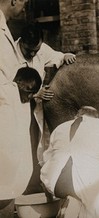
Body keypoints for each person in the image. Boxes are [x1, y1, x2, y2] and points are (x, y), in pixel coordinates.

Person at [40, 106, 99, 218]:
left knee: (83, 196)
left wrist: (50, 195)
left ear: (76, 116)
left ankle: (72, 202)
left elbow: (45, 160)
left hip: (54, 183)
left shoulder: (60, 127)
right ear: (96, 117)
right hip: (84, 181)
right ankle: (76, 202)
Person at [15, 22, 77, 167]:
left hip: (33, 106)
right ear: (21, 42)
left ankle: (33, 178)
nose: (32, 54)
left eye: (35, 51)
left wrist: (65, 56)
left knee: (34, 140)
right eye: (28, 50)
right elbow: (7, 85)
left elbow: (56, 56)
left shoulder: (41, 49)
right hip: (16, 104)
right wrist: (36, 92)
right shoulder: (9, 54)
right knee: (19, 140)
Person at [0, 67, 41, 213]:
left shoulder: (23, 102)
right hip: (3, 156)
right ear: (18, 83)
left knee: (8, 193)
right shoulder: (7, 91)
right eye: (28, 91)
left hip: (12, 161)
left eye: (33, 93)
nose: (30, 97)